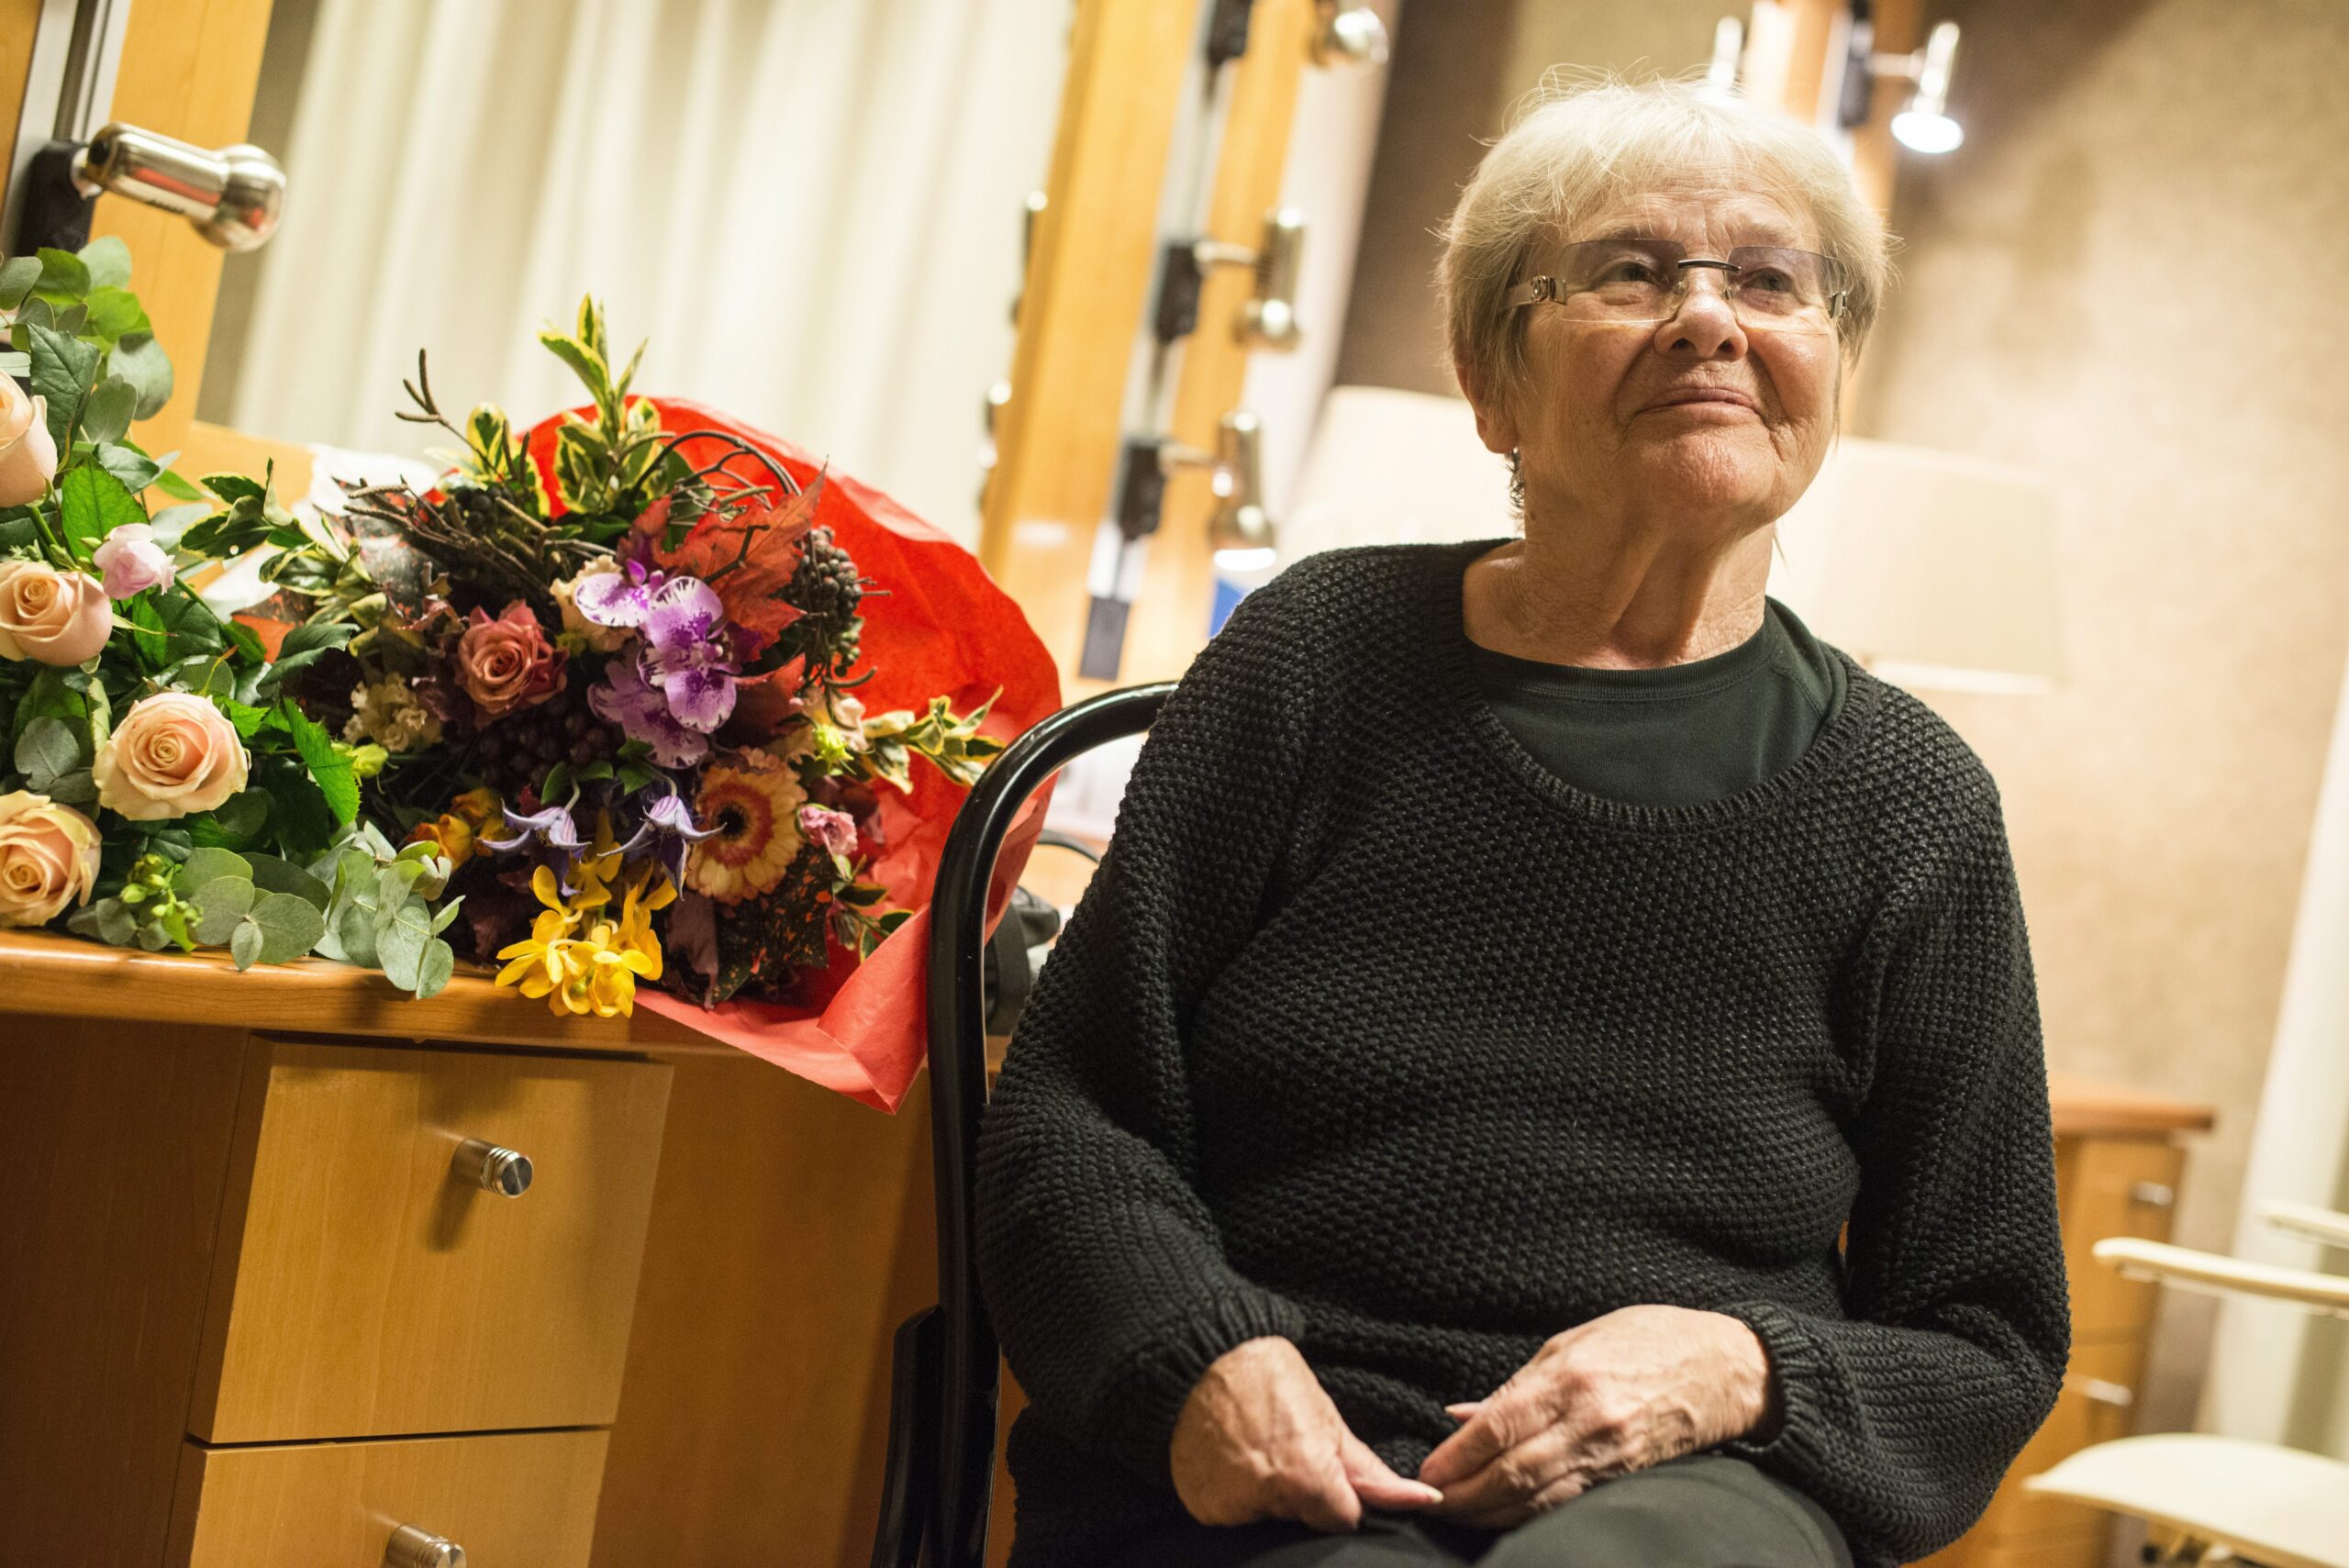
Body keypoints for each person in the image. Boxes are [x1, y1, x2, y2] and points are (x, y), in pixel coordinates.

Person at [974, 72, 2069, 1568]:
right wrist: (1196, 1358)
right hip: (1294, 1442)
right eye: (1631, 271)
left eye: (1769, 279)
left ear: (1832, 366)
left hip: (1702, 1483)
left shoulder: (1911, 801)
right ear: (1492, 379)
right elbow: (1071, 1115)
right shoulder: (1316, 662)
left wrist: (1741, 1371)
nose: (1709, 319)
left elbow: (1985, 1336)